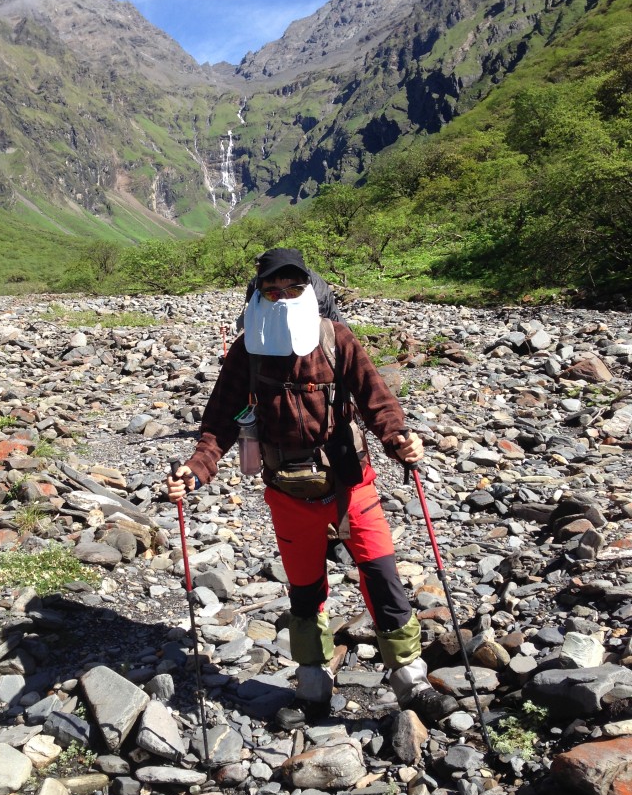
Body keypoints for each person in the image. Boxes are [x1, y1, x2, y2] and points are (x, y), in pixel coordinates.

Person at [167, 247, 458, 724]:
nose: (282, 297)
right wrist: (196, 469)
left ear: (311, 291)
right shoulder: (248, 350)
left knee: (382, 576)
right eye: (271, 289)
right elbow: (218, 422)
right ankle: (312, 685)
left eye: (294, 288)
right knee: (304, 591)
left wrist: (400, 438)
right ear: (257, 294)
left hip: (350, 484)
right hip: (287, 490)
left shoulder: (335, 338)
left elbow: (376, 400)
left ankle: (411, 679)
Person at [236, 247, 345, 331]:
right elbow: (253, 309)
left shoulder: (315, 285)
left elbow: (322, 311)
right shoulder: (255, 283)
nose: (284, 299)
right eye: (272, 293)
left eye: (293, 291)